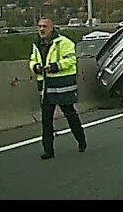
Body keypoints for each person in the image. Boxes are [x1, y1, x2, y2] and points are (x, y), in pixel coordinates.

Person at [29, 17, 87, 159]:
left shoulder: (64, 42)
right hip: (46, 86)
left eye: (44, 26)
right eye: (39, 26)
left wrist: (54, 67)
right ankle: (48, 150)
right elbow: (32, 59)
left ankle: (81, 141)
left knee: (70, 114)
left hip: (63, 85)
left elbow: (71, 60)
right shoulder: (36, 43)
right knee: (46, 119)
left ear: (51, 28)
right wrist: (35, 67)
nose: (41, 29)